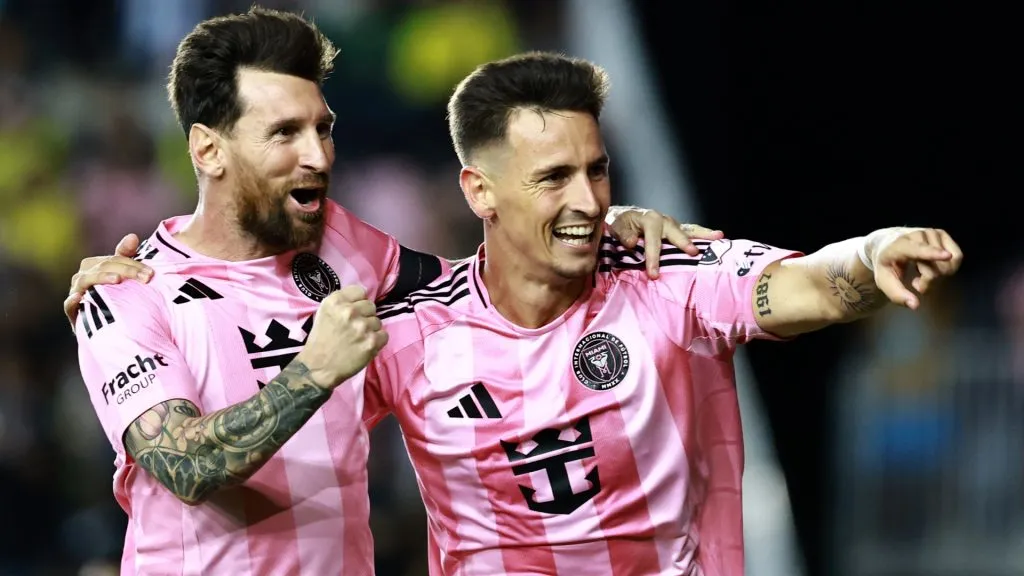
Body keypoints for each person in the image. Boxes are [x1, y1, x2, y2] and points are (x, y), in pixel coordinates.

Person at [66, 8, 715, 576]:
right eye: (284, 134)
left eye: (322, 128)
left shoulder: (339, 244)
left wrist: (600, 231)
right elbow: (186, 467)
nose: (318, 156)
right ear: (208, 150)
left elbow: (481, 292)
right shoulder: (126, 295)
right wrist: (314, 370)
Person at [346, 52, 962, 576]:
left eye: (597, 170)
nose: (587, 200)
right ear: (479, 190)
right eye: (554, 177)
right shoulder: (410, 333)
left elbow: (811, 287)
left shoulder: (666, 275)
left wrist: (871, 253)